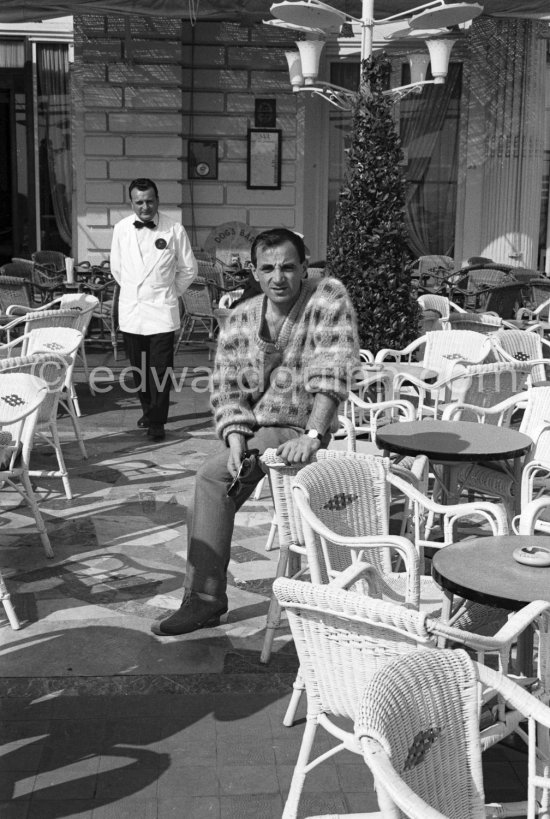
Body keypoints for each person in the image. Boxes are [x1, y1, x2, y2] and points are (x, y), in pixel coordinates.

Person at [151, 227, 360, 636]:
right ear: (254, 270)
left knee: (211, 479)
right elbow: (226, 385)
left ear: (304, 267)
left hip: (299, 426)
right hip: (253, 430)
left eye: (287, 267)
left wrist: (314, 435)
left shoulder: (327, 298)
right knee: (212, 482)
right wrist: (233, 438)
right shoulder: (242, 317)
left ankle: (206, 599)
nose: (278, 277)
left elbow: (333, 368)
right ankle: (204, 596)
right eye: (268, 268)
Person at [110, 178, 197, 441]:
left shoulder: (174, 229)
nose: (145, 207)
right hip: (132, 310)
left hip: (161, 309)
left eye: (149, 201)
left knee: (159, 369)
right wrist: (136, 291)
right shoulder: (121, 228)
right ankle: (148, 411)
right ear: (131, 203)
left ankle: (157, 422)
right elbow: (117, 268)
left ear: (157, 200)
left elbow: (189, 269)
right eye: (139, 202)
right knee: (139, 369)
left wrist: (169, 292)